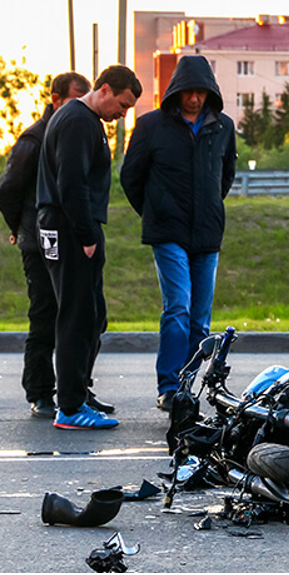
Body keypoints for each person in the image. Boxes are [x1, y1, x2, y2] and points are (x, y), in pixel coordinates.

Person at [121, 55, 236, 412]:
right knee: (179, 308)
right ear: (177, 91)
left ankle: (186, 387)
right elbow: (131, 177)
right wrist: (155, 211)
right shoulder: (151, 125)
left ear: (210, 93)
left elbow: (225, 176)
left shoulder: (224, 126)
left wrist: (209, 209)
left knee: (201, 319)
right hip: (167, 232)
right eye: (189, 91)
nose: (195, 98)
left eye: (202, 92)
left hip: (207, 234)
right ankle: (168, 387)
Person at [36, 65, 141, 430]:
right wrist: (87, 237)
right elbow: (72, 184)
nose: (122, 114)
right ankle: (70, 406)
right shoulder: (78, 121)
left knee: (92, 315)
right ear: (106, 89)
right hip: (70, 229)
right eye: (123, 105)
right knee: (77, 318)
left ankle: (78, 394)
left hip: (70, 226)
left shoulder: (84, 121)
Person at [0, 72, 91, 419]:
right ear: (55, 100)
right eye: (73, 102)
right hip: (37, 244)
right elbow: (8, 190)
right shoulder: (33, 140)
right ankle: (40, 393)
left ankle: (77, 389)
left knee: (86, 317)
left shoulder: (73, 133)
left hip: (67, 241)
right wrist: (19, 227)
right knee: (44, 316)